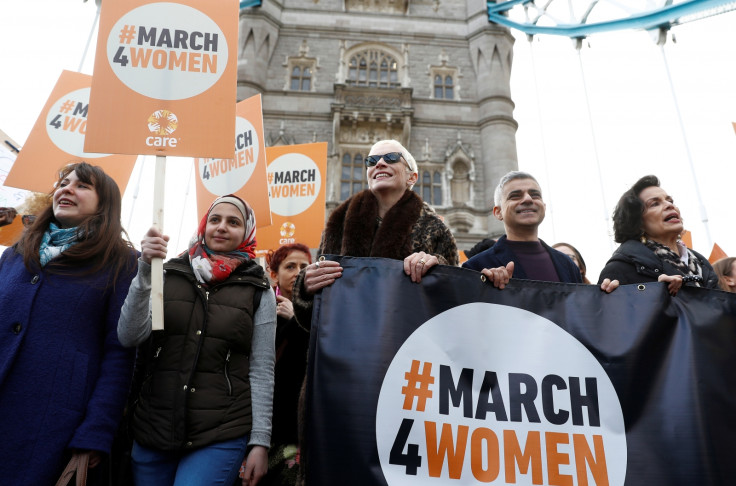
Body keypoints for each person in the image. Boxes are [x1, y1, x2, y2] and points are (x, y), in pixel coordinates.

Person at [290, 139, 458, 483]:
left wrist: (437, 265)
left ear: (411, 176)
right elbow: (311, 319)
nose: (379, 163)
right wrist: (306, 287)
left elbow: (454, 306)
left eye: (390, 157)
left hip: (408, 373)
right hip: (339, 370)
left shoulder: (435, 228)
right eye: (372, 159)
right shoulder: (336, 223)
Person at [117, 195, 276, 486]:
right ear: (203, 225)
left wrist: (260, 442)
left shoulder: (259, 289)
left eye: (233, 222)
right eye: (214, 219)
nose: (222, 227)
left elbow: (262, 369)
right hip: (155, 426)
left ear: (247, 232)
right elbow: (129, 336)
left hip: (221, 431)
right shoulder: (166, 272)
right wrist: (145, 269)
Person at [0, 162, 138, 484]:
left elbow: (120, 354)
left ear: (104, 203)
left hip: (55, 422)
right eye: (63, 183)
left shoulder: (122, 262)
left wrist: (96, 432)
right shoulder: (15, 254)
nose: (66, 189)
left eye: (82, 186)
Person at [463, 171, 617, 292]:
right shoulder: (477, 267)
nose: (528, 199)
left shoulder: (567, 265)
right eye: (515, 196)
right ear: (498, 212)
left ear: (543, 206)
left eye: (535, 194)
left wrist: (607, 296)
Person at [597, 175, 719, 294]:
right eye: (655, 204)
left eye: (670, 200)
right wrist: (655, 292)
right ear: (637, 222)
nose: (669, 205)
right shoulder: (620, 269)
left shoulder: (702, 265)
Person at [263, 243, 312, 486]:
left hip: (300, 427)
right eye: (290, 266)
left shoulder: (321, 310)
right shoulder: (261, 309)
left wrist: (296, 319)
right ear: (274, 274)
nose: (298, 272)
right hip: (269, 423)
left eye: (304, 266)